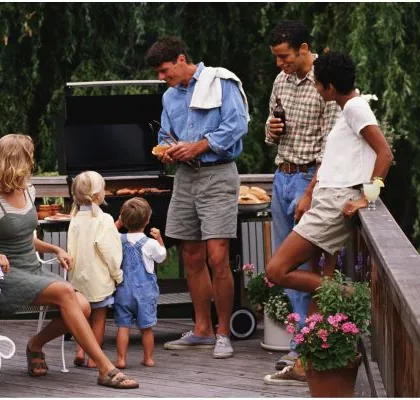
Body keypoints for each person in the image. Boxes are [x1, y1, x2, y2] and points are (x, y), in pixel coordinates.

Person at [0, 135, 138, 389]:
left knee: (84, 305)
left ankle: (35, 345)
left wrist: (55, 248)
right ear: (17, 160)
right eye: (29, 155)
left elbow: (25, 238)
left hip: (32, 269)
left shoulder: (28, 190)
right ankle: (104, 368)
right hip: (5, 276)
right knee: (67, 292)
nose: (33, 161)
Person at [263, 52, 393, 385]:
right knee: (315, 279)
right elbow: (333, 158)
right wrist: (308, 194)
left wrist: (367, 196)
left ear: (330, 86)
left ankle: (347, 293)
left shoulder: (355, 108)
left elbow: (384, 153)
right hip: (325, 198)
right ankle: (308, 361)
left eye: (319, 84)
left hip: (335, 203)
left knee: (277, 271)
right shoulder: (345, 108)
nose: (317, 90)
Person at [145, 36, 249, 359]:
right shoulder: (168, 97)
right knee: (190, 255)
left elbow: (237, 125)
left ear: (180, 59)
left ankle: (223, 333)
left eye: (165, 71)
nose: (162, 78)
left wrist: (198, 145)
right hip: (185, 177)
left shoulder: (221, 81)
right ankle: (202, 329)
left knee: (218, 257)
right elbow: (166, 134)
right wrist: (167, 150)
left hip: (218, 172)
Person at [265, 20, 341, 372]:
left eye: (285, 57)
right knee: (283, 268)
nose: (281, 64)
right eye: (277, 58)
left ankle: (308, 344)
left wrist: (310, 193)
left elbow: (331, 147)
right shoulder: (281, 80)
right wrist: (271, 128)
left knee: (304, 266)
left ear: (304, 49)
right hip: (282, 175)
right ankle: (300, 342)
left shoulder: (325, 85)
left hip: (310, 178)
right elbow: (271, 129)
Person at [66, 170, 124, 369]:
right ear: (99, 195)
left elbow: (70, 249)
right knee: (99, 318)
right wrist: (118, 274)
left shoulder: (74, 218)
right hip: (98, 280)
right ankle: (93, 358)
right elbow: (110, 251)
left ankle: (80, 350)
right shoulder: (104, 220)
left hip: (78, 279)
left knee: (82, 317)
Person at [113, 197, 167, 369]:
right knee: (146, 328)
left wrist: (119, 222)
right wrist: (159, 238)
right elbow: (162, 256)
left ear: (123, 219)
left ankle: (121, 359)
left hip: (123, 291)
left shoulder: (118, 239)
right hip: (145, 293)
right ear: (148, 219)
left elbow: (108, 234)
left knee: (123, 327)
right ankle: (148, 358)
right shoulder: (150, 243)